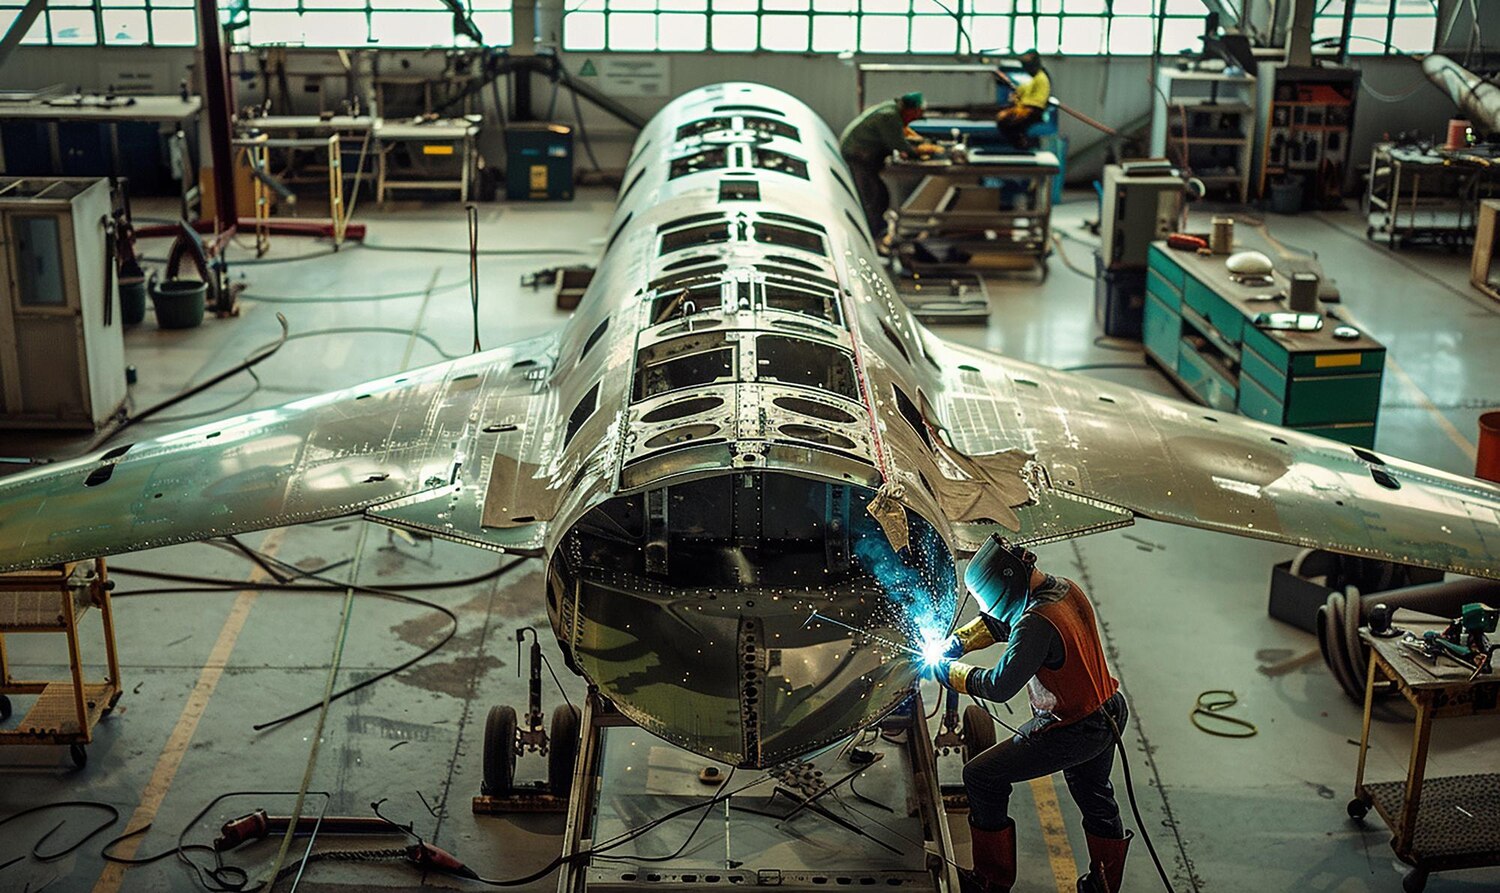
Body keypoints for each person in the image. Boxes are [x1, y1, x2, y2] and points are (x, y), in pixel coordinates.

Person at [928, 535, 1132, 893]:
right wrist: (958, 642)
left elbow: (998, 685)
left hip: (1072, 728)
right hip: (1109, 709)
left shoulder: (1035, 621)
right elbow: (999, 623)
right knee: (1096, 795)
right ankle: (1102, 888)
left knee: (981, 776)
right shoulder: (1064, 590)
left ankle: (991, 881)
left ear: (1006, 586)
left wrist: (952, 673)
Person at [839, 92, 941, 241]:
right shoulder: (890, 116)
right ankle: (871, 237)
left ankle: (875, 233)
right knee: (874, 197)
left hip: (863, 155)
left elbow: (903, 134)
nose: (916, 118)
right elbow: (898, 143)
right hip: (859, 156)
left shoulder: (893, 110)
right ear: (910, 110)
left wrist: (918, 141)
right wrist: (922, 150)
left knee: (878, 196)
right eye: (917, 114)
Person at [995, 50, 1051, 149]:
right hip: (1027, 108)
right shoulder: (1034, 80)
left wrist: (1018, 105)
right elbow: (1022, 89)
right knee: (1003, 115)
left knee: (1004, 120)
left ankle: (1022, 145)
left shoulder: (1041, 78)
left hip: (1033, 110)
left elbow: (1036, 102)